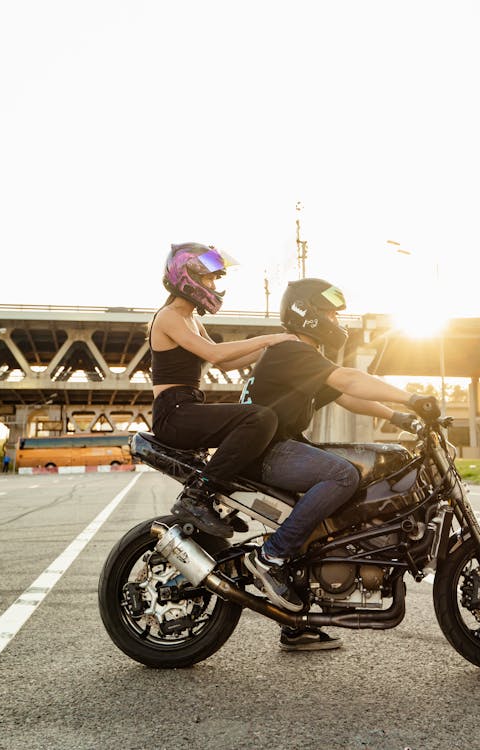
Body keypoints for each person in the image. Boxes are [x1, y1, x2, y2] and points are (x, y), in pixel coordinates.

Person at [240, 277, 432, 648]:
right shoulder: (291, 350)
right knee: (343, 474)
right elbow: (351, 379)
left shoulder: (301, 357)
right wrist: (412, 398)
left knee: (329, 513)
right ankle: (270, 557)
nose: (335, 319)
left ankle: (295, 619)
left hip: (278, 448)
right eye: (329, 311)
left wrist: (399, 418)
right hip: (267, 452)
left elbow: (346, 395)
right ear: (306, 312)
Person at [151, 242, 297, 537]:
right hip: (173, 413)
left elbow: (228, 364)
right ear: (187, 276)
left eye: (216, 278)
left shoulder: (191, 319)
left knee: (266, 421)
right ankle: (198, 496)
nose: (214, 284)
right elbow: (215, 355)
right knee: (259, 418)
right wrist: (270, 339)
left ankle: (222, 498)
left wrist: (280, 350)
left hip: (188, 407)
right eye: (209, 277)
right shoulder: (169, 316)